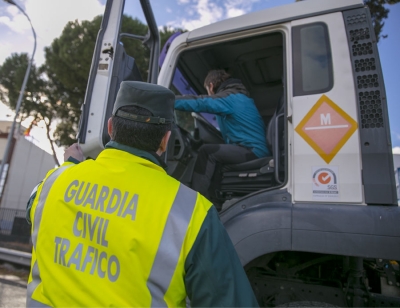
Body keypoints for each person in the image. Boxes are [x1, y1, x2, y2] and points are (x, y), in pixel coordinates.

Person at [25, 81, 259, 307]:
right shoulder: (195, 214)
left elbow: (33, 207)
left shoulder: (54, 183)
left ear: (110, 127)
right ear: (165, 140)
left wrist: (71, 168)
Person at [175, 69, 270, 202]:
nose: (209, 94)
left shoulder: (229, 98)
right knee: (216, 158)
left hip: (253, 151)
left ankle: (193, 201)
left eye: (207, 91)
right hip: (254, 150)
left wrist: (169, 101)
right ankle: (215, 201)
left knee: (206, 152)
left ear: (211, 86)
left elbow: (200, 102)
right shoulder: (239, 97)